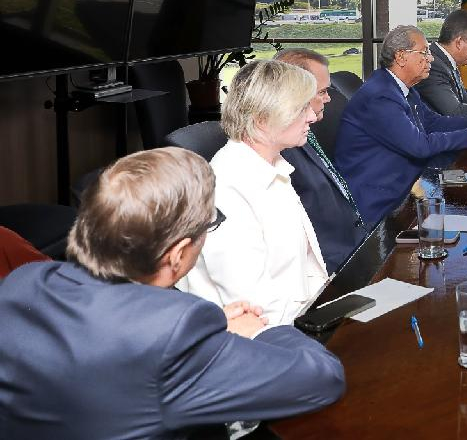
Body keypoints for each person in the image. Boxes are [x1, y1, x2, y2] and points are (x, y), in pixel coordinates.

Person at [0, 147, 345, 439]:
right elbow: (322, 378)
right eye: (210, 224)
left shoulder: (24, 282)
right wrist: (261, 331)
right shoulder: (173, 332)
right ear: (177, 254)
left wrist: (210, 332)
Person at [178, 60, 329, 326]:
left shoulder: (272, 167)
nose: (313, 117)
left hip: (303, 321)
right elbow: (256, 309)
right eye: (301, 108)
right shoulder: (227, 188)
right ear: (262, 120)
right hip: (268, 343)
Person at [335, 26, 467, 224]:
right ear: (401, 57)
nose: (431, 58)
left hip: (404, 191)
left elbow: (432, 122)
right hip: (377, 205)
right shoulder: (381, 96)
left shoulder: (401, 87)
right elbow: (420, 146)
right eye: (424, 52)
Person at [275, 48, 369, 272]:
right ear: (295, 92)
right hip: (333, 269)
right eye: (323, 91)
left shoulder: (304, 134)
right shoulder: (282, 149)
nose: (329, 98)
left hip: (357, 242)